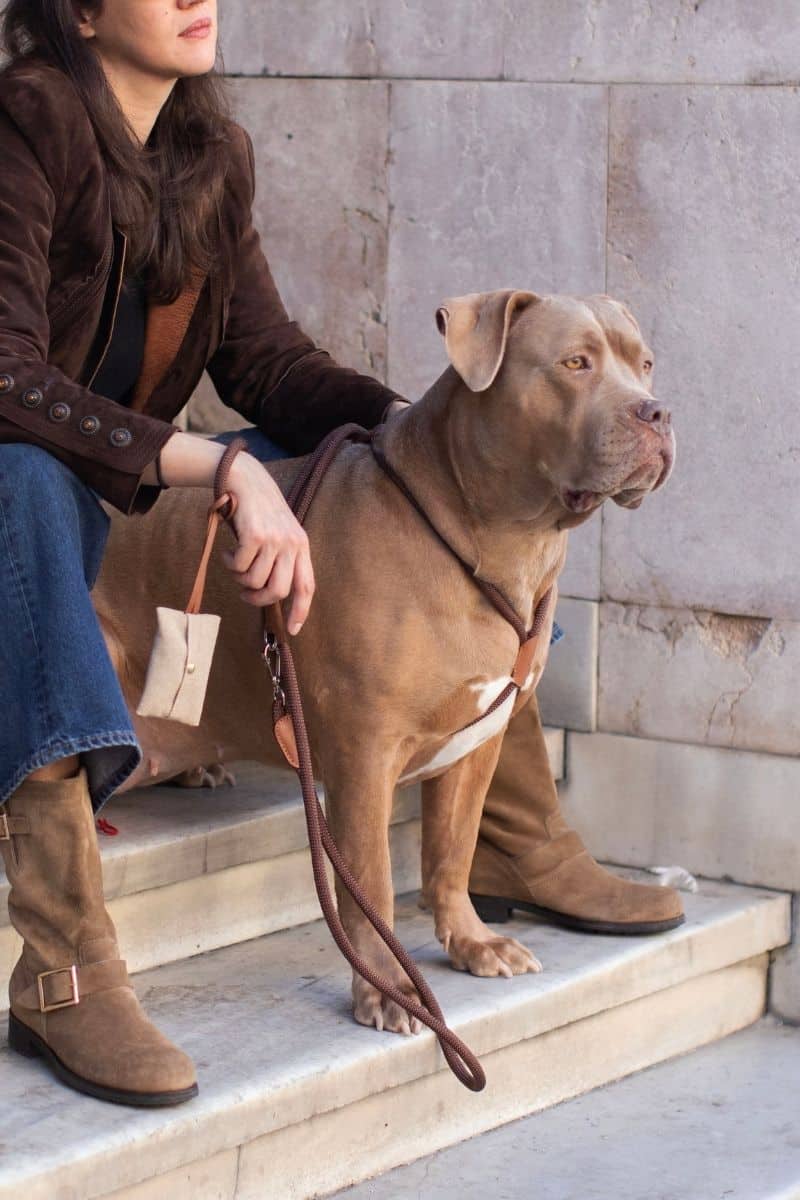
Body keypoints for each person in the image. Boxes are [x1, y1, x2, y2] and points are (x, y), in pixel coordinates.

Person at [0, 0, 682, 1109]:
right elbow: (7, 379)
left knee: (393, 494)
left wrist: (433, 440)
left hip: (120, 483)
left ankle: (511, 842)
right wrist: (213, 468)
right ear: (78, 9)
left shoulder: (206, 151)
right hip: (26, 484)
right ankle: (64, 967)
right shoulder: (22, 124)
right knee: (24, 484)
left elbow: (265, 363)